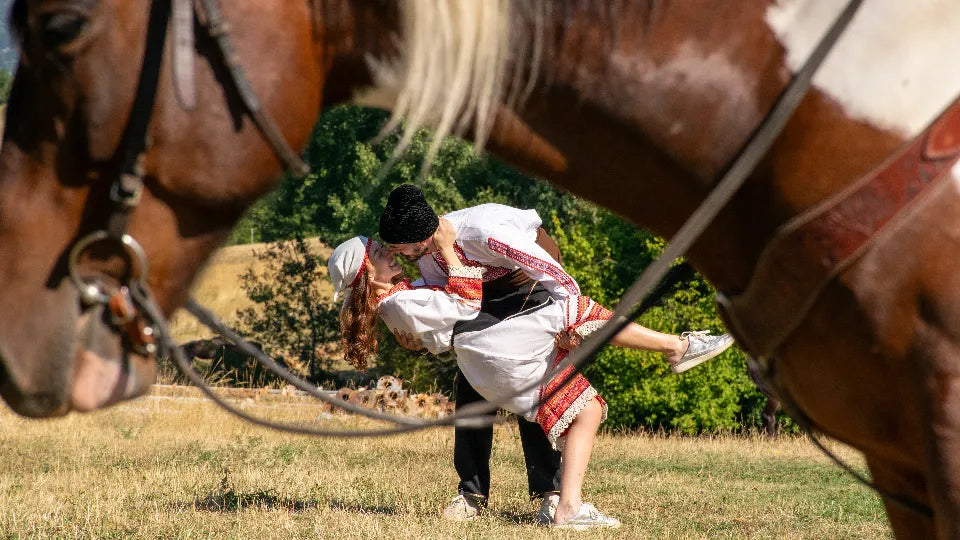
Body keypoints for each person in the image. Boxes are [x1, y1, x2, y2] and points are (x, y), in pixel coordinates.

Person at [328, 228, 733, 528]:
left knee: (587, 408)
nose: (389, 254)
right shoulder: (400, 302)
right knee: (574, 310)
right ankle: (676, 348)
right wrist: (449, 249)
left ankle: (564, 504)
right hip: (486, 349)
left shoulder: (398, 296)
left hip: (485, 352)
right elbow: (464, 301)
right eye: (379, 254)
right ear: (366, 275)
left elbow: (432, 326)